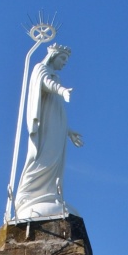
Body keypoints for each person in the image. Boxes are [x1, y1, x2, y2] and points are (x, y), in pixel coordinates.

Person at [14, 44, 83, 221]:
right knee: (44, 157)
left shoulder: (53, 76)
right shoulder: (41, 68)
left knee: (55, 159)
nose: (63, 64)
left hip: (56, 127)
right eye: (62, 59)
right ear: (53, 56)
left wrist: (68, 131)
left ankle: (50, 194)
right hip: (45, 127)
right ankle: (28, 195)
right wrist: (62, 90)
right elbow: (45, 83)